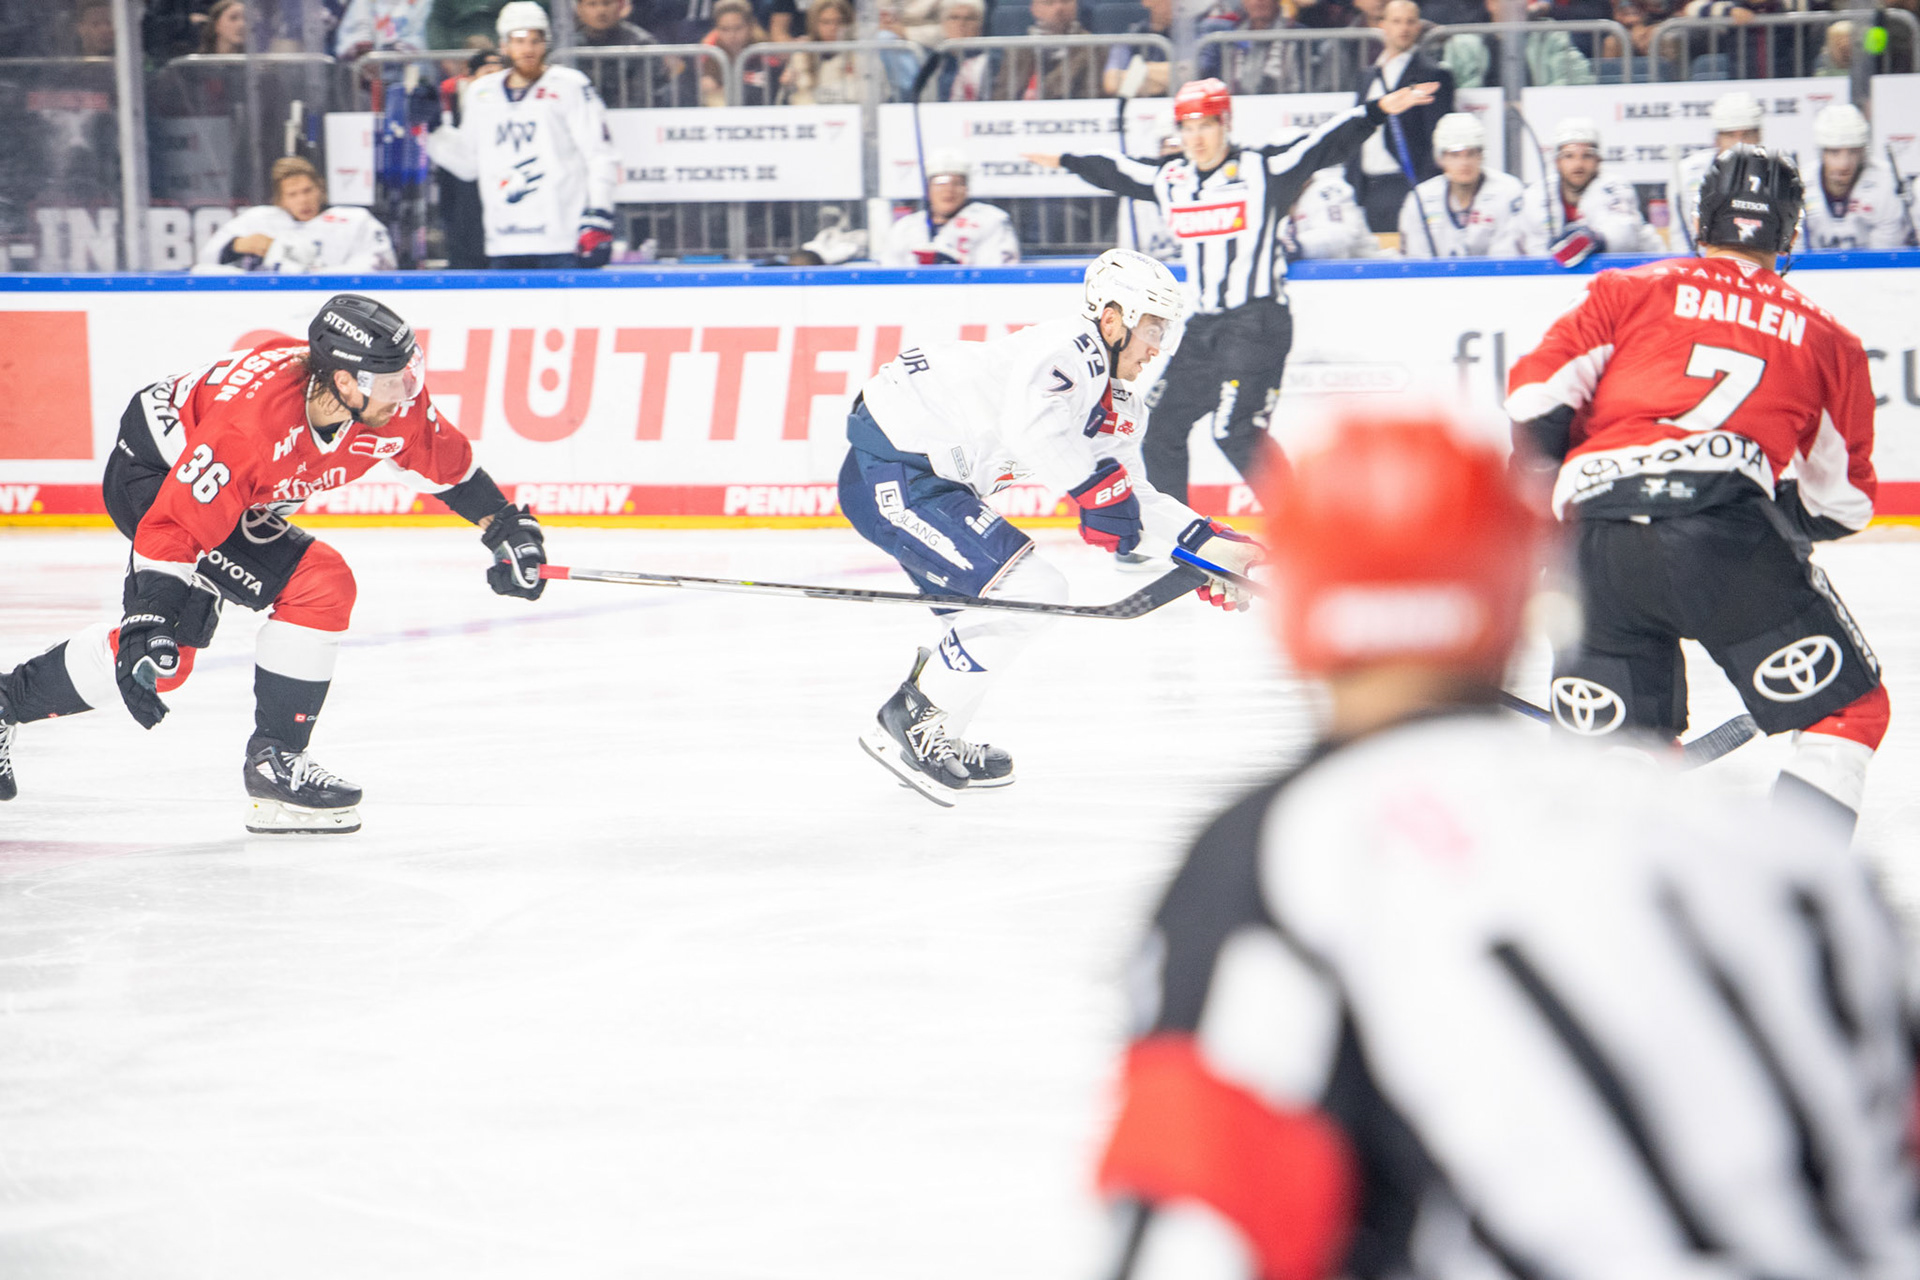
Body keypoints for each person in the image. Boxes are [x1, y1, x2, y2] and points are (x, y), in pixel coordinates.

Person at [1090, 404, 1920, 1280]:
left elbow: (1198, 1233)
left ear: (1295, 610)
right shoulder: (1787, 859)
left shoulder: (1286, 851)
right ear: (1525, 592)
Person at [0, 295, 550, 827]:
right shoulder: (250, 429)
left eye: (409, 374)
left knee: (303, 594)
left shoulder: (383, 404)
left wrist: (505, 527)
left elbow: (443, 462)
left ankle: (274, 759)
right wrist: (151, 613)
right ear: (340, 381)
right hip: (157, 475)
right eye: (391, 382)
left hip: (227, 489)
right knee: (172, 650)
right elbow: (174, 525)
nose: (405, 394)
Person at [1507, 146, 1888, 834]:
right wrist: (1776, 525)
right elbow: (1845, 505)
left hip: (1596, 547)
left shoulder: (1628, 289)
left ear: (1696, 218)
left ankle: (1617, 926)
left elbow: (1536, 402)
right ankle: (1791, 905)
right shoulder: (1829, 339)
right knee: (1848, 714)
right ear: (1792, 233)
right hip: (1726, 534)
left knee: (1617, 760)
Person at [839, 250, 1264, 804]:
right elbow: (1031, 430)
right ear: (1112, 320)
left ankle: (934, 731)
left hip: (933, 479)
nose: (1160, 346)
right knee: (1032, 590)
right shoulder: (1071, 348)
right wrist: (1093, 492)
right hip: (894, 466)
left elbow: (1133, 493)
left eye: (1167, 329)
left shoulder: (1119, 399)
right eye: (1152, 327)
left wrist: (1208, 544)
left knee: (984, 617)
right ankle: (907, 721)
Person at [1025, 76, 1437, 506]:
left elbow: (1322, 146)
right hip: (1205, 327)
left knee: (1234, 431)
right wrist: (1066, 159)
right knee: (1161, 427)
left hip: (1258, 321)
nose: (1195, 138)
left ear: (1226, 124)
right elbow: (1118, 171)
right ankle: (1184, 540)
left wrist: (1376, 111)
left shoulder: (1263, 170)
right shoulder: (1174, 180)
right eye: (1187, 127)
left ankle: (1302, 531)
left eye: (1205, 125)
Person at [426, 1, 622, 269]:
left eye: (535, 40)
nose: (528, 50)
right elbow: (469, 164)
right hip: (503, 240)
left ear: (546, 44)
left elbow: (600, 154)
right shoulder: (482, 92)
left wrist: (599, 214)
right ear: (504, 45)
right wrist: (434, 131)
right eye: (519, 41)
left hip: (561, 240)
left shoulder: (570, 86)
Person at [1349, 0, 1455, 232]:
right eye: (1397, 21)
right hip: (1365, 188)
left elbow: (1437, 138)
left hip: (1404, 183)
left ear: (1419, 27)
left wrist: (1424, 190)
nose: (1404, 28)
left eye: (1410, 22)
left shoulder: (1432, 74)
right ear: (1383, 26)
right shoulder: (1367, 75)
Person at [196, 156, 398, 273]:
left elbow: (382, 265)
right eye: (292, 194)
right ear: (280, 200)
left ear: (321, 188)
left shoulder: (354, 220)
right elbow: (205, 264)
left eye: (308, 190)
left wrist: (315, 277)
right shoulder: (258, 220)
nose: (303, 200)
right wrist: (236, 246)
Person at [1513, 116, 1661, 263]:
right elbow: (1531, 249)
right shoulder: (1536, 195)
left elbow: (1625, 232)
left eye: (1587, 156)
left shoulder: (1615, 187)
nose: (1578, 164)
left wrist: (1595, 239)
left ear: (1598, 160)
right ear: (1557, 162)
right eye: (1569, 156)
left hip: (1635, 272)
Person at [1397, 110, 1525, 257]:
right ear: (1440, 158)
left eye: (1471, 154)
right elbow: (1417, 259)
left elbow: (1506, 258)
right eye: (1454, 155)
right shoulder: (1421, 199)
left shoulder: (1508, 191)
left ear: (1481, 156)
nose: (1464, 163)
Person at [876, 149, 1020, 266]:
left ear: (966, 188)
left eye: (957, 183)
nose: (948, 190)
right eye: (940, 183)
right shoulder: (905, 227)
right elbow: (889, 269)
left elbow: (996, 272)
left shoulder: (991, 221)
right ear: (928, 188)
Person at [1803, 102, 1914, 250]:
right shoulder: (1801, 182)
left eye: (1853, 152)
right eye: (1834, 152)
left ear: (1862, 153)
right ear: (1821, 152)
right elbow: (1793, 253)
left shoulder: (1886, 182)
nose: (1844, 164)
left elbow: (1885, 257)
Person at [1671, 89, 1761, 252]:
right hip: (1702, 268)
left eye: (1747, 135)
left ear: (1759, 137)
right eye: (1730, 135)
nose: (1739, 143)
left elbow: (1792, 246)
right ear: (1717, 139)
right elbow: (1680, 240)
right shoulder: (1686, 174)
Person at [992, 0, 1103, 100]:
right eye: (1049, 3)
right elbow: (1002, 96)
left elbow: (1091, 95)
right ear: (1034, 9)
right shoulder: (1018, 49)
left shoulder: (1092, 46)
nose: (1059, 8)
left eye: (1065, 1)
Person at [780, 0, 862, 105]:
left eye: (839, 22)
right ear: (815, 24)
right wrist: (788, 85)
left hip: (848, 114)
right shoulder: (801, 54)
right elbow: (791, 98)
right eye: (826, 22)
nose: (833, 28)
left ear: (848, 23)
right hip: (809, 115)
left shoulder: (860, 54)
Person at [1102, 0, 1173, 98]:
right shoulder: (1130, 37)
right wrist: (1166, 77)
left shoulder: (1193, 35)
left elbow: (1189, 75)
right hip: (1138, 108)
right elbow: (1111, 82)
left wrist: (1138, 72)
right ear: (1147, 2)